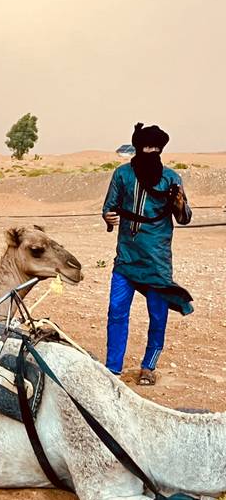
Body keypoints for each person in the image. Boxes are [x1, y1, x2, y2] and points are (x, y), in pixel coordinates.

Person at [102, 122, 192, 385]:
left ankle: (149, 366)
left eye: (155, 147)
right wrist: (108, 218)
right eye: (145, 146)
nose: (150, 151)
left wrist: (179, 204)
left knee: (157, 314)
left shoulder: (172, 178)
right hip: (127, 258)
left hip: (157, 261)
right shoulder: (122, 175)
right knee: (117, 311)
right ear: (137, 147)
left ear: (161, 149)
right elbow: (109, 209)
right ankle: (112, 368)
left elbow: (185, 217)